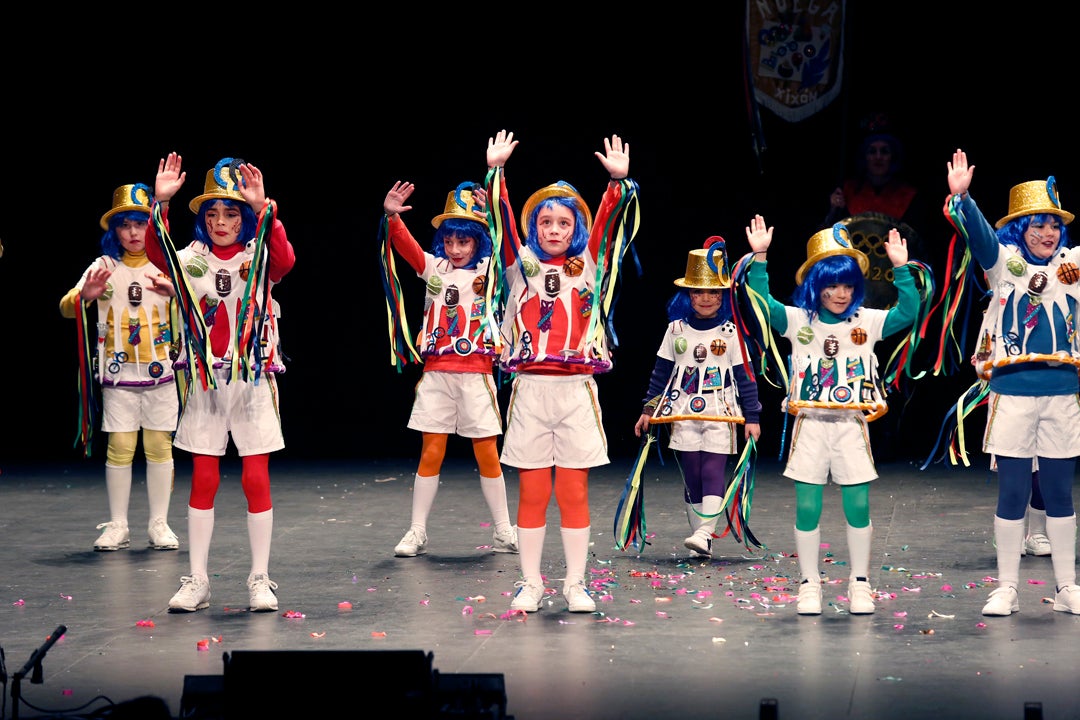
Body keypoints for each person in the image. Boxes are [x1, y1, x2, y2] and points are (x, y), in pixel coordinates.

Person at [485, 129, 639, 614]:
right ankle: (530, 582)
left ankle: (575, 583)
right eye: (546, 222)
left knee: (572, 489)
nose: (554, 229)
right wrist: (497, 174)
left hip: (576, 390)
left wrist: (616, 184)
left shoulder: (588, 262)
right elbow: (501, 222)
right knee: (532, 490)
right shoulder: (521, 264)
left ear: (575, 228)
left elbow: (608, 227)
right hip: (531, 389)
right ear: (536, 228)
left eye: (564, 222)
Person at [743, 215, 919, 616]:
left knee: (858, 506)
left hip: (851, 426)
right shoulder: (798, 320)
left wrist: (900, 269)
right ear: (814, 287)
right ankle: (809, 584)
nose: (840, 294)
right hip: (810, 427)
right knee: (808, 507)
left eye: (847, 286)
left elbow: (907, 312)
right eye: (831, 285)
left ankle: (860, 582)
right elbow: (762, 304)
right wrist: (759, 259)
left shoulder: (866, 322)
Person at [145, 153, 296, 613]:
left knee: (255, 477)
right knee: (204, 478)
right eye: (212, 213)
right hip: (206, 383)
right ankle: (199, 580)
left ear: (245, 218)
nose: (221, 221)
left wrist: (265, 207)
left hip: (251, 381)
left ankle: (260, 578)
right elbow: (156, 251)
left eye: (231, 212)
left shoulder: (259, 256)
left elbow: (286, 259)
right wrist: (161, 204)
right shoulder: (190, 259)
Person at [945, 149, 1080, 616]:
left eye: (1054, 225)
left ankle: (1067, 588)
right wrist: (963, 198)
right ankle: (1006, 587)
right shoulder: (1003, 263)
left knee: (1060, 493)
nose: (1047, 233)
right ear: (1019, 229)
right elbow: (979, 237)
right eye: (1037, 224)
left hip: (1063, 394)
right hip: (1013, 394)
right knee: (1014, 493)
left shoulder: (1074, 265)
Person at [380, 179, 518, 557]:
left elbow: (510, 249)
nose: (455, 249)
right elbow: (405, 248)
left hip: (477, 371)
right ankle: (417, 530)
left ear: (478, 240)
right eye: (449, 241)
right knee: (431, 451)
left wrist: (496, 214)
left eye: (464, 241)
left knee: (487, 451)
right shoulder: (435, 268)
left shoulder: (492, 270)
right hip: (438, 371)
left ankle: (504, 530)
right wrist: (392, 217)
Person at [60, 183, 181, 552]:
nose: (132, 233)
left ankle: (159, 523)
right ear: (114, 230)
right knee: (121, 446)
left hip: (161, 371)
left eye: (140, 224)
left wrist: (177, 293)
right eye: (124, 225)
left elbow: (201, 306)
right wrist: (86, 296)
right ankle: (119, 524)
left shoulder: (167, 264)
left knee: (160, 446)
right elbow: (66, 306)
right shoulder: (104, 267)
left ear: (153, 227)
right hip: (119, 374)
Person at [633, 240, 762, 559]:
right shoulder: (675, 330)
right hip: (682, 412)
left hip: (722, 413)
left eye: (713, 292)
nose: (705, 298)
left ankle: (704, 533)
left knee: (712, 472)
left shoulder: (733, 333)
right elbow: (660, 373)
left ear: (723, 295)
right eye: (698, 292)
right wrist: (648, 409)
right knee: (692, 477)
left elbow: (745, 377)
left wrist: (753, 417)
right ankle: (700, 538)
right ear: (688, 294)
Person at [823, 111, 929, 310]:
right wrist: (833, 210)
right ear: (865, 156)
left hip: (893, 289)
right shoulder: (846, 193)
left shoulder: (910, 197)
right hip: (851, 289)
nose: (878, 157)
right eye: (872, 151)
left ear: (893, 156)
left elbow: (919, 248)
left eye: (884, 151)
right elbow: (827, 240)